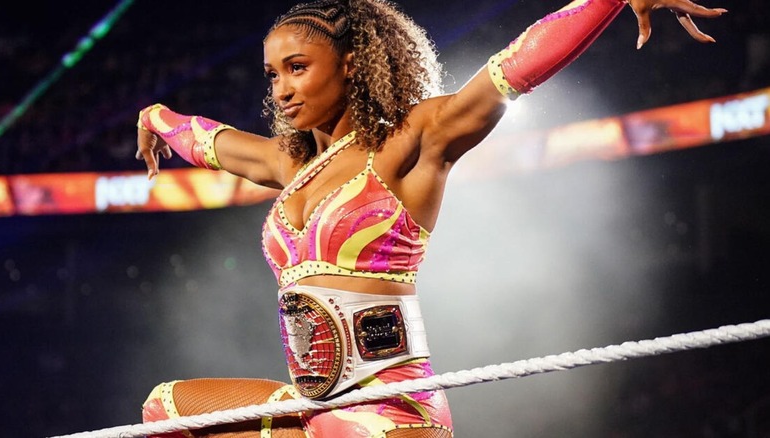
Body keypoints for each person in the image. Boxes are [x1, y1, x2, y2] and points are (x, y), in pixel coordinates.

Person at [135, 0, 726, 436]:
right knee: (165, 410)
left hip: (390, 410)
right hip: (316, 407)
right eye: (273, 74)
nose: (283, 89)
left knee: (334, 433)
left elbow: (511, 70)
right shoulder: (291, 163)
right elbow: (209, 141)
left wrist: (612, 1)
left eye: (297, 67)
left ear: (351, 64)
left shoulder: (412, 140)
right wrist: (157, 116)